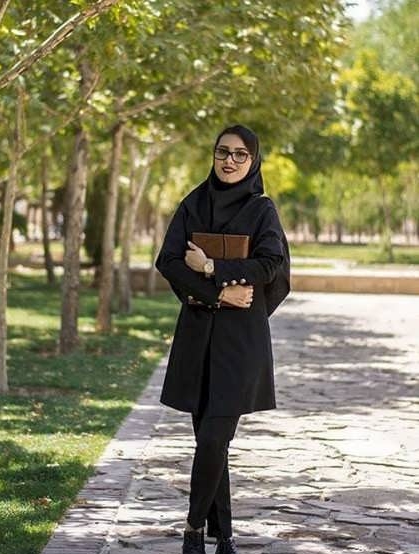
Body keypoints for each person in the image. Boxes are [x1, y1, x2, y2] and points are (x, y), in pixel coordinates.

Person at [155, 125, 290, 554]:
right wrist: (219, 295)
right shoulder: (193, 204)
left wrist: (213, 267)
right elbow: (168, 261)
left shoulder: (262, 210)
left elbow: (271, 265)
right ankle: (225, 537)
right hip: (198, 338)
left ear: (253, 160)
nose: (229, 161)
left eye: (240, 154)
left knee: (215, 438)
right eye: (222, 152)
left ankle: (194, 529)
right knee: (211, 444)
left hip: (239, 344)